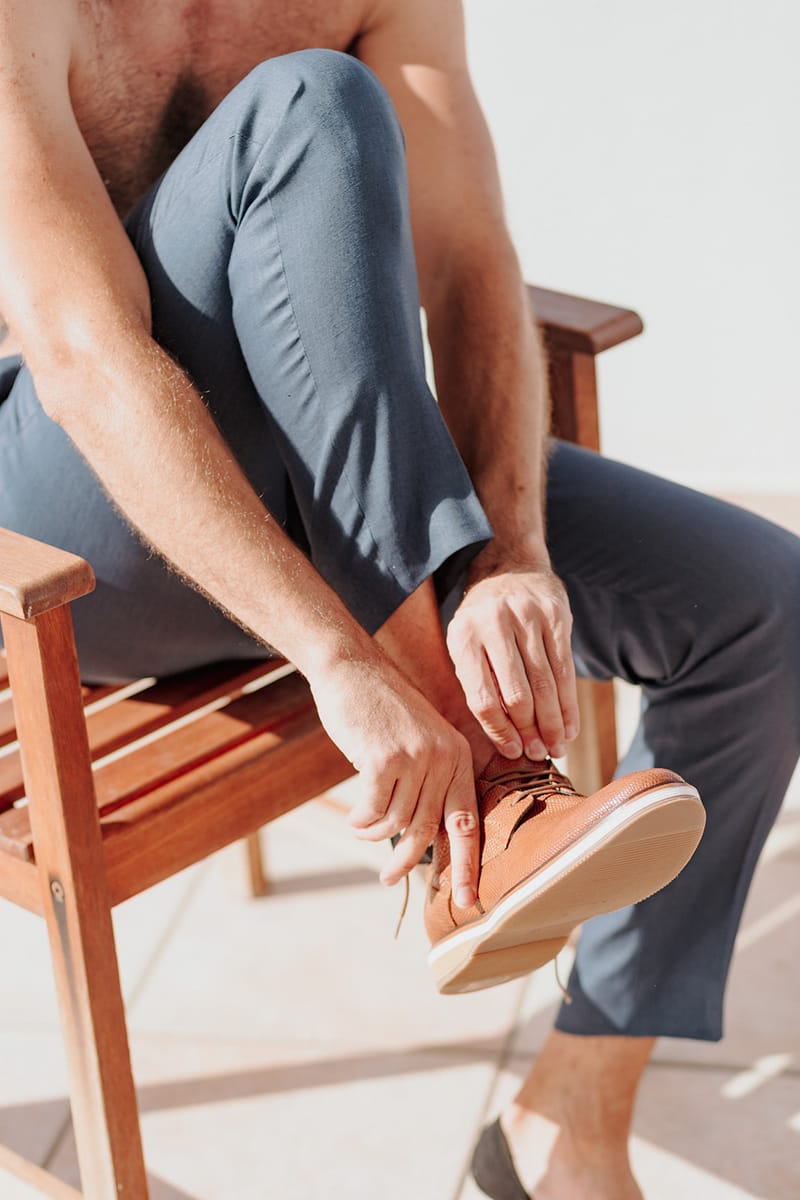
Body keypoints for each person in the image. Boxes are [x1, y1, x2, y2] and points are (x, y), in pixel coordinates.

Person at [0, 2, 798, 1196]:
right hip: (78, 533)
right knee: (307, 102)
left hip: (338, 494)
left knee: (760, 603)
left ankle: (566, 1126)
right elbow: (83, 358)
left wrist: (509, 550)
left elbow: (468, 258)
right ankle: (485, 808)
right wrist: (340, 659)